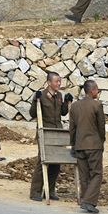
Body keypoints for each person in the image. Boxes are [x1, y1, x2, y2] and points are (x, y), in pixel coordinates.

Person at [29, 71, 73, 202]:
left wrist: (67, 102)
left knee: (56, 163)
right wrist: (34, 100)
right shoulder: (41, 96)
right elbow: (32, 113)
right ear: (49, 82)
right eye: (56, 81)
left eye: (60, 81)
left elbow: (63, 113)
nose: (59, 83)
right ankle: (35, 192)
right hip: (45, 132)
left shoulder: (59, 95)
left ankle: (50, 190)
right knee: (42, 161)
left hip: (57, 133)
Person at [70, 80, 106, 214]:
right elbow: (101, 126)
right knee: (96, 174)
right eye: (97, 90)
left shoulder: (74, 106)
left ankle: (84, 199)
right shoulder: (97, 105)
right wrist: (101, 141)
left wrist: (73, 144)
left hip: (79, 145)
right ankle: (89, 201)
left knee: (84, 175)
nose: (98, 92)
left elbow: (72, 128)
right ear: (92, 91)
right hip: (94, 145)